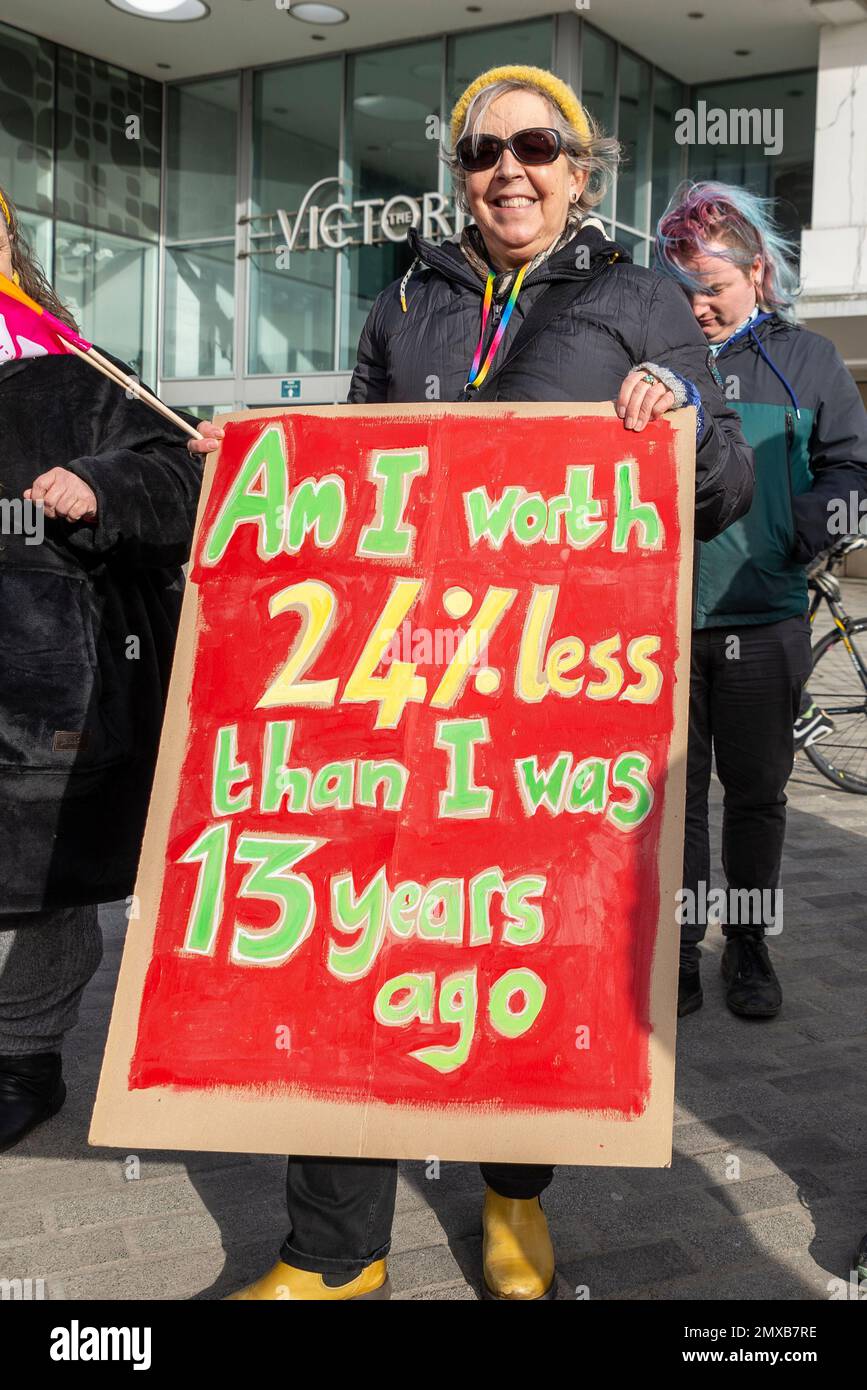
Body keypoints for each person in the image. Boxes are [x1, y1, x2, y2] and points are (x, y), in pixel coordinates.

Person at [192, 65, 754, 1302]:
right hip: (396, 685)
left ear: (580, 166)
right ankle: (332, 1256)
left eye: (537, 145)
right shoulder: (404, 299)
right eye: (483, 150)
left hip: (552, 693)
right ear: (459, 171)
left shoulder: (637, 293)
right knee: (351, 944)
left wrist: (683, 422)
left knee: (516, 944)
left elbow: (721, 486)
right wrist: (259, 474)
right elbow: (349, 474)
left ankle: (512, 1200)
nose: (511, 168)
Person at [0, 185, 202, 1151]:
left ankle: (22, 1058)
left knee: (49, 884)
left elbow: (185, 471)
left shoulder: (72, 370)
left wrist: (102, 485)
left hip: (54, 692)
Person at [655, 181, 867, 1021]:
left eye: (713, 288)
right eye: (684, 290)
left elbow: (854, 470)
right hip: (658, 628)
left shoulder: (808, 360)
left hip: (766, 620)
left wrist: (796, 533)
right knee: (675, 800)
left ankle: (746, 946)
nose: (697, 307)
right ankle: (674, 947)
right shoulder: (659, 359)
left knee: (755, 795)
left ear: (757, 277)